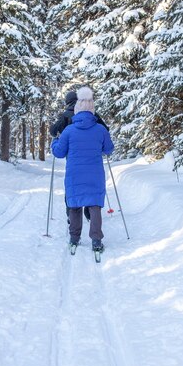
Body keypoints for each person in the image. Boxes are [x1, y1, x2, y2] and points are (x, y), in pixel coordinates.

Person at [51, 86, 114, 252]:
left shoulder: (69, 130)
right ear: (92, 110)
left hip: (74, 173)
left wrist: (54, 142)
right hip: (95, 173)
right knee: (94, 205)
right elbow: (108, 149)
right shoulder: (100, 129)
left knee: (74, 205)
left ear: (77, 109)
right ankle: (96, 240)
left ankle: (74, 238)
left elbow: (59, 152)